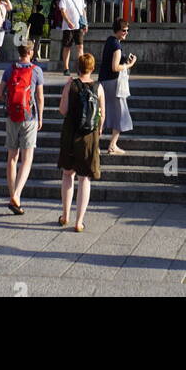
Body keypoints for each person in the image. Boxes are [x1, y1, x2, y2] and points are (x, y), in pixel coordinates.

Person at [58, 52, 104, 232]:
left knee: (68, 174)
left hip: (70, 133)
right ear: (92, 68)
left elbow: (63, 110)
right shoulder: (98, 88)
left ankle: (65, 215)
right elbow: (102, 115)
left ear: (78, 67)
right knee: (84, 178)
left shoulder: (71, 85)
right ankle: (79, 221)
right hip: (89, 136)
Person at [0, 41, 44, 214]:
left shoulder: (9, 70)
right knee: (27, 157)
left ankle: (12, 195)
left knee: (12, 157)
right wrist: (40, 117)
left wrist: (10, 103)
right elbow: (39, 97)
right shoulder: (36, 70)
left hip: (11, 116)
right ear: (31, 52)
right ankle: (17, 194)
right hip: (29, 116)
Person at [99, 16, 136, 154]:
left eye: (127, 30)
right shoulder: (117, 46)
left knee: (103, 113)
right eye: (124, 30)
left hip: (104, 82)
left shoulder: (110, 41)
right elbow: (115, 67)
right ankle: (112, 145)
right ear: (118, 31)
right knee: (121, 114)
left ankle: (94, 145)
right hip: (113, 83)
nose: (126, 32)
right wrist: (129, 64)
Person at [58, 0, 87, 75]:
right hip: (68, 27)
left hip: (78, 25)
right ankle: (66, 68)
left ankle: (81, 68)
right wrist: (68, 21)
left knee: (80, 46)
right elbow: (63, 11)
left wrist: (85, 23)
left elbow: (83, 11)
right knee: (67, 47)